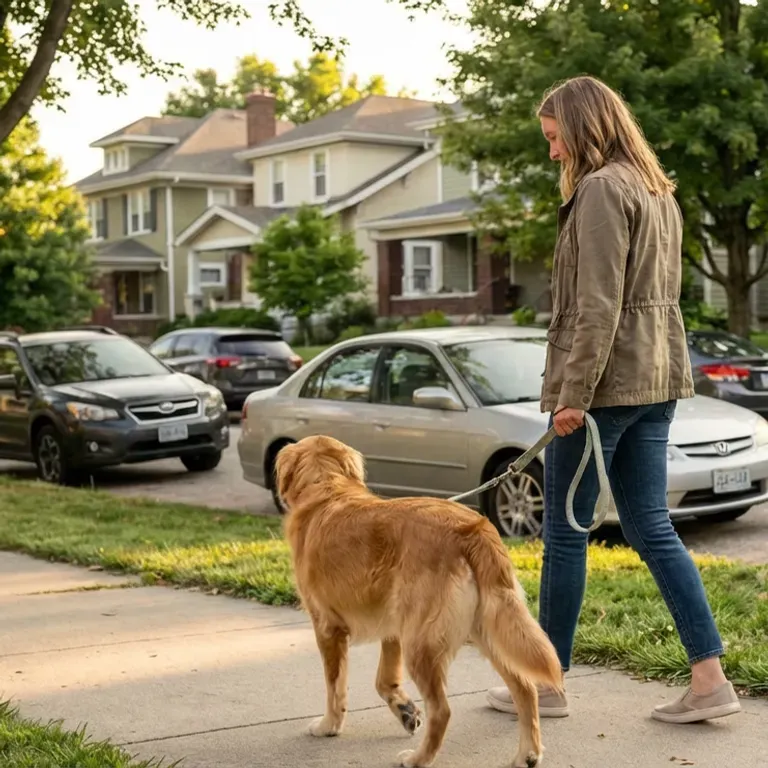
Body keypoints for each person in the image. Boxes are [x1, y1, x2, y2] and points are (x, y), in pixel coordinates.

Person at [486, 75, 741, 724]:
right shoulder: (656, 189)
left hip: (604, 388)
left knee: (566, 533)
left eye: (554, 139)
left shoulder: (601, 190)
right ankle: (709, 679)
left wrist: (572, 396)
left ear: (582, 126)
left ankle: (546, 683)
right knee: (651, 527)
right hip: (655, 380)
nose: (553, 154)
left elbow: (597, 305)